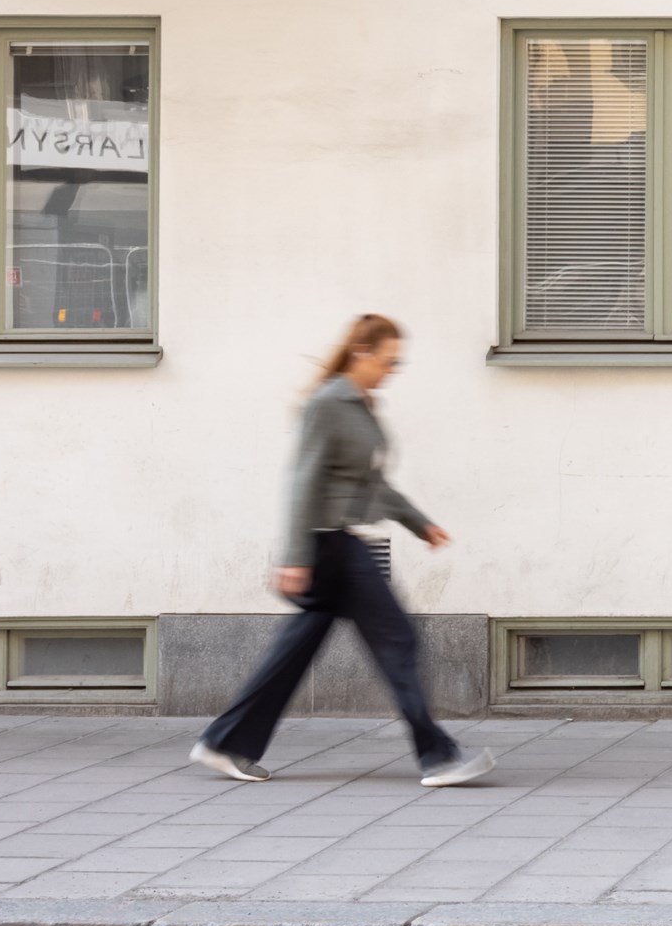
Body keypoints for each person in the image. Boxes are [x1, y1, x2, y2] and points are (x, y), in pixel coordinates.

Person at [189, 315, 492, 787]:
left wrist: (420, 523)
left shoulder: (361, 405)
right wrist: (293, 556)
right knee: (398, 642)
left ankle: (225, 743)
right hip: (329, 545)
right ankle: (439, 757)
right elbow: (302, 480)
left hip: (339, 544)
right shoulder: (330, 403)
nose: (393, 369)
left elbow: (372, 484)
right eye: (389, 360)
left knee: (295, 649)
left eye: (398, 362)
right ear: (362, 353)